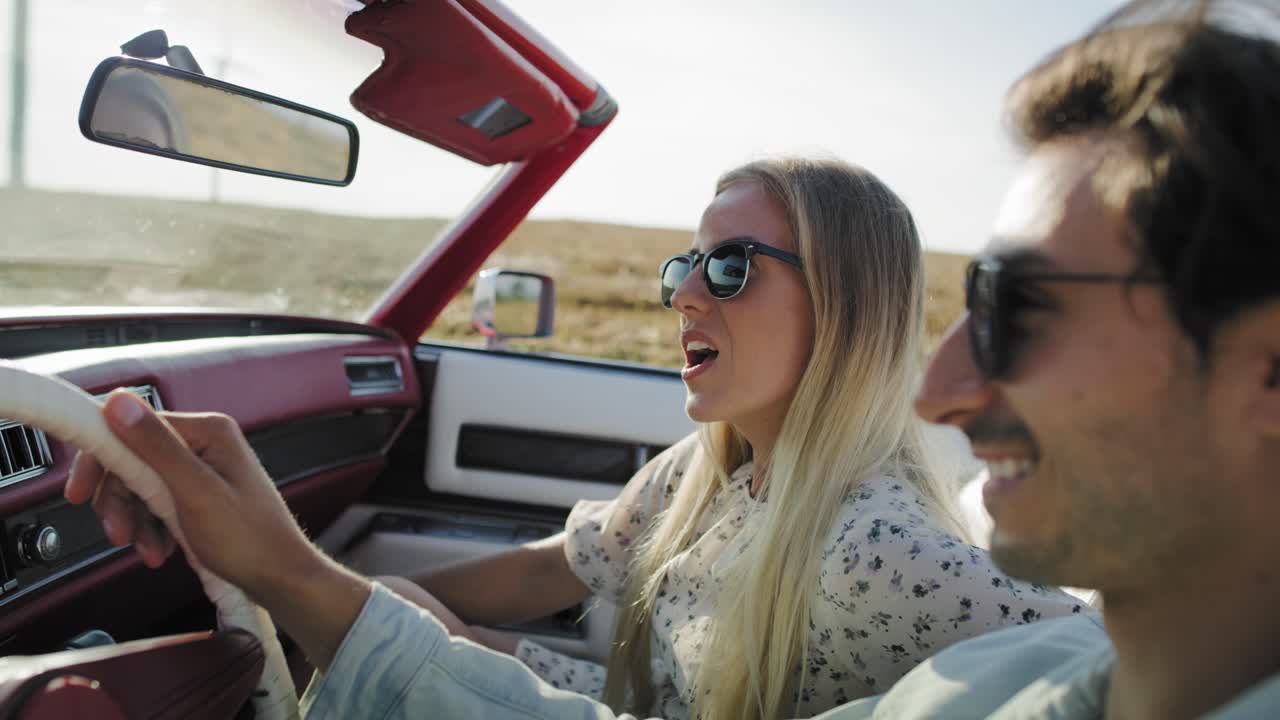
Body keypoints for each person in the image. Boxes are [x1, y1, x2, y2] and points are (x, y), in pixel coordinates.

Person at [68, 157, 1086, 720]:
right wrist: (315, 583)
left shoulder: (879, 550)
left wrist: (295, 581)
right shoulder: (710, 467)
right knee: (408, 602)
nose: (682, 292)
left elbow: (1090, 664)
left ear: (846, 306)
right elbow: (549, 569)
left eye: (729, 268)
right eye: (684, 265)